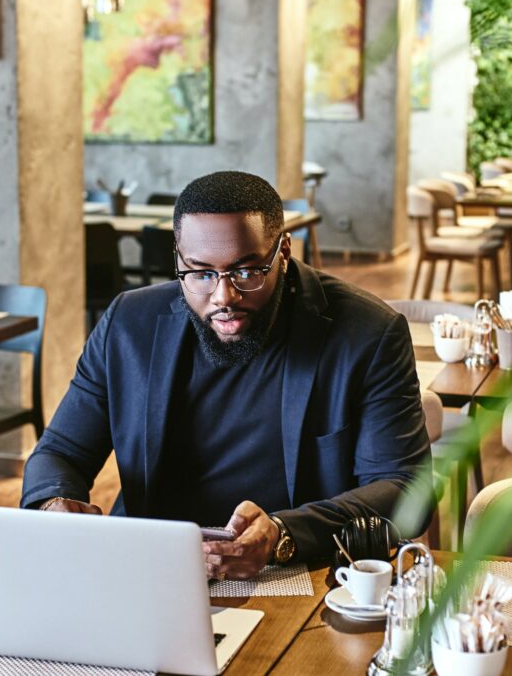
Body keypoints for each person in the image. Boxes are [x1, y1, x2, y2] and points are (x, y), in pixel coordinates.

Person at [21, 171, 431, 580]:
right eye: (199, 273)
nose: (224, 297)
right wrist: (54, 502)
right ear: (178, 256)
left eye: (247, 271)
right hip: (152, 568)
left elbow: (404, 486)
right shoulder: (129, 325)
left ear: (283, 252)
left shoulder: (367, 333)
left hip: (293, 574)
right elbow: (60, 451)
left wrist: (284, 534)